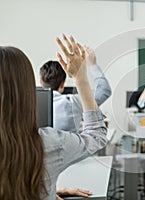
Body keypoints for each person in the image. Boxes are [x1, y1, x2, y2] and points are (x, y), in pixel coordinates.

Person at [0, 35, 108, 200]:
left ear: (40, 82)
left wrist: (48, 188)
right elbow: (96, 136)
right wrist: (81, 77)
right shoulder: (48, 143)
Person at [40, 42, 111, 132]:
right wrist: (93, 64)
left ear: (40, 83)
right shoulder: (72, 102)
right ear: (63, 84)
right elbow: (104, 90)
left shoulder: (31, 105)